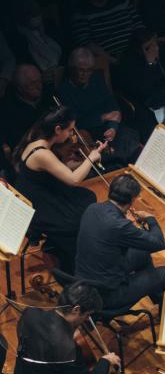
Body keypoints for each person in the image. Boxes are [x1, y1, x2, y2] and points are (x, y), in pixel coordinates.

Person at [74, 174, 165, 309]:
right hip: (105, 295)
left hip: (86, 280)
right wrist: (150, 218)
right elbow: (158, 243)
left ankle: (160, 301)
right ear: (132, 199)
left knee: (142, 253)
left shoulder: (92, 208)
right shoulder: (120, 225)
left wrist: (126, 222)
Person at [13, 105, 102, 271]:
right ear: (58, 129)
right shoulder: (41, 153)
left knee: (87, 197)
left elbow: (61, 169)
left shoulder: (38, 141)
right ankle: (73, 262)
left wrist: (84, 161)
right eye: (69, 130)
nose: (72, 135)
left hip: (44, 193)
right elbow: (73, 180)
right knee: (76, 218)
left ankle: (63, 246)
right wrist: (91, 158)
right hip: (38, 206)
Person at [57, 47, 142, 167]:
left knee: (129, 138)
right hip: (87, 133)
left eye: (89, 70)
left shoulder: (96, 78)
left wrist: (112, 127)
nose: (85, 74)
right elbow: (75, 123)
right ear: (72, 69)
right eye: (81, 70)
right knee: (108, 154)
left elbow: (111, 105)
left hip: (107, 127)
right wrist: (102, 117)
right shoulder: (64, 90)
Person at [117, 28, 165, 140]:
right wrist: (150, 64)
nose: (154, 48)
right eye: (148, 47)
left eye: (155, 43)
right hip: (151, 108)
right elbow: (139, 92)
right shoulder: (129, 63)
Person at [70, 0, 144, 64]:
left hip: (135, 50)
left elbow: (138, 24)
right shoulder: (81, 13)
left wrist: (142, 43)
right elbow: (86, 43)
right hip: (109, 60)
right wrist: (112, 60)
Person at [0, 63, 53, 150]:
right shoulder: (7, 110)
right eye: (33, 83)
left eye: (39, 81)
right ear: (20, 88)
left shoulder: (48, 95)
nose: (38, 86)